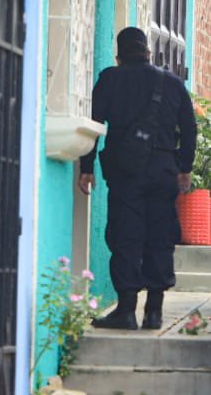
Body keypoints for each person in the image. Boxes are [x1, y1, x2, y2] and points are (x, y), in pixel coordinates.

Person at [78, 27, 196, 330]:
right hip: (163, 170)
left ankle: (126, 310)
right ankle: (154, 312)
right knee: (160, 237)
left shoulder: (110, 79)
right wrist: (184, 167)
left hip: (126, 171)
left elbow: (94, 123)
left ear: (119, 55)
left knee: (126, 236)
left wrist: (86, 167)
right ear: (148, 51)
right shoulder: (171, 83)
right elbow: (190, 127)